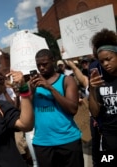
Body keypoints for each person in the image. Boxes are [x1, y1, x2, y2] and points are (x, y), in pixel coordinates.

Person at [29, 49, 84, 167]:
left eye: (45, 64)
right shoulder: (32, 85)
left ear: (53, 61)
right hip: (42, 143)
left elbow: (73, 109)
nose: (42, 68)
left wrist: (50, 88)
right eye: (39, 65)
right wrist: (30, 92)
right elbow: (23, 112)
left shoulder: (66, 80)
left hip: (68, 140)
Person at [89, 28, 117, 165]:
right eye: (102, 61)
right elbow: (94, 112)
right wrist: (92, 90)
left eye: (108, 59)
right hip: (109, 138)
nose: (105, 64)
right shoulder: (99, 81)